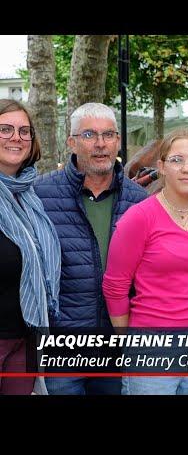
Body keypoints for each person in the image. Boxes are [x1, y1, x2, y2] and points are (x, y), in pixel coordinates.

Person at [33, 102, 147, 395]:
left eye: (108, 135)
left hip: (117, 347)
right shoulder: (41, 195)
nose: (100, 144)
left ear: (118, 141)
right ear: (71, 142)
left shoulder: (140, 200)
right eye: (89, 135)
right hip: (62, 348)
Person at [103, 128, 188, 395]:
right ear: (161, 167)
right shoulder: (140, 218)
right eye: (176, 160)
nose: (186, 168)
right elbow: (115, 286)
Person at [0, 99, 60, 395]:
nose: (16, 137)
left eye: (25, 131)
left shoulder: (30, 197)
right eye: (5, 129)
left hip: (26, 338)